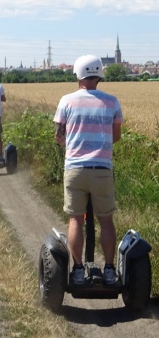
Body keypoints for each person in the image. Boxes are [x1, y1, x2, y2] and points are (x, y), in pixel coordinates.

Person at [53, 55, 123, 285]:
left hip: (75, 168)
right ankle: (111, 270)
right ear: (99, 75)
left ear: (78, 75)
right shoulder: (112, 102)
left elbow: (59, 137)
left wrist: (73, 142)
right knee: (106, 220)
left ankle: (78, 271)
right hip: (102, 169)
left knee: (75, 220)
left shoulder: (66, 101)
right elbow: (116, 137)